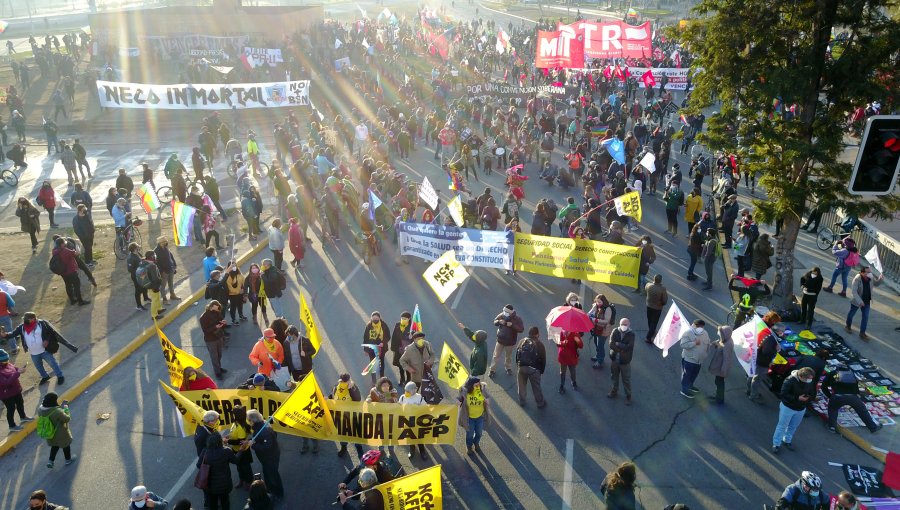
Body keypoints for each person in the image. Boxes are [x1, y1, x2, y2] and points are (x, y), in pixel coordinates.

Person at [3, 312, 77, 385]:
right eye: (25, 319)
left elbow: (51, 333)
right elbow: (13, 334)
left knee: (53, 364)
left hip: (45, 351)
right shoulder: (22, 327)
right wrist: (5, 335)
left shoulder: (42, 324)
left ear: (33, 319)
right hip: (33, 352)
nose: (26, 321)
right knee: (38, 367)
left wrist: (47, 340)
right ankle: (45, 376)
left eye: (29, 319)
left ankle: (60, 376)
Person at [821, 365, 883, 434]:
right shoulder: (851, 373)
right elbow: (855, 387)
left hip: (838, 396)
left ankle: (832, 426)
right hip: (853, 397)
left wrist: (830, 396)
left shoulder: (833, 373)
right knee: (862, 410)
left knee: (833, 409)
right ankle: (873, 427)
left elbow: (823, 387)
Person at [772, 367, 817, 453]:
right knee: (782, 426)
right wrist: (797, 398)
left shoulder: (810, 381)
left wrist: (809, 398)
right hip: (788, 407)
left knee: (793, 426)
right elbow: (783, 394)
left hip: (801, 408)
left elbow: (813, 392)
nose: (810, 381)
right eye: (808, 379)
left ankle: (787, 440)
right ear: (800, 376)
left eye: (811, 379)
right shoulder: (789, 380)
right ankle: (776, 444)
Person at [248, 409, 284, 501]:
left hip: (270, 457)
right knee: (267, 474)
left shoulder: (263, 430)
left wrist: (253, 445)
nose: (248, 422)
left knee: (273, 475)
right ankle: (269, 490)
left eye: (249, 420)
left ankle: (279, 493)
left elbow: (267, 446)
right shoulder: (262, 424)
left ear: (253, 420)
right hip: (266, 457)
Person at [198, 431, 238, 510]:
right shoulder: (226, 451)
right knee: (225, 502)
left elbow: (199, 465)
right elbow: (236, 461)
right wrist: (241, 451)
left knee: (212, 504)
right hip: (224, 485)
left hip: (210, 485)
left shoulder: (205, 452)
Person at [330, 373, 365, 459]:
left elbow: (358, 399)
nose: (345, 382)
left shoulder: (353, 387)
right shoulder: (336, 387)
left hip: (353, 416)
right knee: (342, 433)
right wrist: (328, 398)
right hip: (341, 416)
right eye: (344, 381)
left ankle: (359, 450)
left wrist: (352, 389)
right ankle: (344, 447)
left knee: (355, 433)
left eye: (347, 381)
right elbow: (333, 396)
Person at [38, 392, 75, 468]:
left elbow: (51, 411)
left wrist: (59, 408)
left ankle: (51, 461)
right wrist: (65, 408)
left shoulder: (40, 410)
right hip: (60, 434)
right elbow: (67, 419)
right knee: (66, 446)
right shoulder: (57, 412)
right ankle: (68, 460)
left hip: (50, 433)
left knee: (54, 446)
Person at [845, 266, 882, 340]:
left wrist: (880, 279)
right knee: (852, 313)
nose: (870, 274)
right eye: (867, 272)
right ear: (862, 273)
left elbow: (876, 284)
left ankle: (862, 333)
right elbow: (854, 292)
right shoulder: (857, 279)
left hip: (867, 300)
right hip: (857, 300)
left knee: (865, 317)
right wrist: (860, 301)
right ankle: (848, 326)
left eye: (870, 272)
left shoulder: (870, 277)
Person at [488, 304, 524, 378]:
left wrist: (512, 325)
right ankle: (492, 370)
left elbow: (521, 329)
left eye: (506, 312)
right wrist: (498, 321)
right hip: (500, 340)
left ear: (511, 312)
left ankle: (508, 368)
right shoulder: (502, 315)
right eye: (504, 311)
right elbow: (494, 321)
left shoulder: (517, 319)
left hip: (510, 342)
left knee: (508, 356)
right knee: (496, 356)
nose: (504, 313)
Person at [0, 349, 31, 430]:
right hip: (6, 394)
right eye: (4, 360)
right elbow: (6, 382)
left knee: (20, 403)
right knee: (11, 408)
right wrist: (18, 373)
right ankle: (12, 425)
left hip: (15, 390)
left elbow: (14, 368)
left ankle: (23, 417)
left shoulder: (7, 363)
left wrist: (19, 369)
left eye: (7, 359)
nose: (7, 361)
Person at [515, 327, 546, 407]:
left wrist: (518, 366)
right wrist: (541, 371)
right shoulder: (539, 344)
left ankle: (522, 401)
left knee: (521, 386)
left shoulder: (522, 341)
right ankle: (540, 403)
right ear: (537, 334)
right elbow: (543, 360)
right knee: (536, 387)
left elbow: (517, 355)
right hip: (533, 369)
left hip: (521, 367)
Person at [458, 376, 490, 455]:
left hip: (480, 417)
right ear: (470, 386)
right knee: (470, 435)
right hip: (469, 419)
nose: (478, 387)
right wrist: (459, 402)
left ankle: (476, 443)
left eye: (479, 385)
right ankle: (469, 447)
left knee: (479, 433)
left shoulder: (482, 391)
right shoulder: (466, 393)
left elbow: (488, 397)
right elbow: (459, 400)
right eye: (476, 386)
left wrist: (487, 401)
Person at [679, 320, 710, 398]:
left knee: (694, 374)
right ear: (695, 326)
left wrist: (706, 353)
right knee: (687, 375)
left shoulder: (705, 333)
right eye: (699, 326)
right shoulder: (688, 333)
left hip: (699, 361)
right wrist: (694, 343)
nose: (701, 328)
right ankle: (684, 390)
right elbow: (683, 345)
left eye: (702, 327)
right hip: (689, 359)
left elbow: (707, 343)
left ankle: (690, 385)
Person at [608, 318, 635, 405]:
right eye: (622, 324)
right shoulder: (615, 331)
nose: (624, 326)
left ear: (629, 325)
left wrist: (618, 344)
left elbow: (629, 347)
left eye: (625, 325)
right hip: (615, 360)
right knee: (614, 377)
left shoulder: (631, 334)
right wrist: (620, 350)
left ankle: (628, 396)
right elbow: (611, 344)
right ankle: (614, 391)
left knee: (626, 379)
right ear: (619, 324)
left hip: (625, 362)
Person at [199, 300, 228, 379]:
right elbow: (205, 330)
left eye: (218, 308)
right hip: (210, 340)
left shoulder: (216, 312)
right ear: (211, 307)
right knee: (214, 357)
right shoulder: (203, 317)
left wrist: (223, 322)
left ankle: (218, 368)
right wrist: (215, 327)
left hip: (219, 336)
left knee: (219, 354)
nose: (218, 309)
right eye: (216, 308)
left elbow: (220, 319)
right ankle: (217, 373)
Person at [399, 381, 428, 459]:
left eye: (408, 391)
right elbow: (399, 407)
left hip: (417, 421)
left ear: (415, 390)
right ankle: (412, 451)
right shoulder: (402, 397)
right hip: (407, 421)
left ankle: (422, 452)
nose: (407, 392)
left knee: (419, 438)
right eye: (406, 391)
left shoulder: (419, 397)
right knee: (410, 437)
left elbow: (425, 407)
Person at [706, 326, 734, 405]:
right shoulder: (726, 339)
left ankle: (719, 399)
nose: (720, 336)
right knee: (718, 381)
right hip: (720, 366)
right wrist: (716, 344)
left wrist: (723, 370)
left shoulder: (728, 344)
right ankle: (718, 395)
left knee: (719, 382)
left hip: (721, 367)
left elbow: (726, 358)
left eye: (721, 334)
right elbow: (720, 345)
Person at [362, 311, 390, 381]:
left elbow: (388, 336)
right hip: (371, 349)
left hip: (381, 349)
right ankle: (374, 379)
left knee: (381, 363)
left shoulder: (383, 325)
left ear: (379, 318)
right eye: (373, 318)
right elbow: (365, 338)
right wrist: (365, 349)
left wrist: (383, 342)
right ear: (371, 318)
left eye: (376, 318)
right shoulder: (369, 326)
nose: (375, 320)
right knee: (372, 364)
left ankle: (382, 378)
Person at [153, 237, 180, 305]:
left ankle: (172, 295)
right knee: (163, 286)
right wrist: (162, 272)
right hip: (164, 272)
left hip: (170, 269)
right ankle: (164, 299)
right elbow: (156, 263)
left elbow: (170, 256)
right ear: (160, 243)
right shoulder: (156, 251)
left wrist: (174, 265)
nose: (166, 242)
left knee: (171, 283)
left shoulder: (166, 248)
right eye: (165, 241)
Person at [557, 328, 583, 394]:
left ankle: (573, 382)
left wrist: (578, 341)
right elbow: (558, 343)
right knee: (562, 372)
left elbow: (581, 346)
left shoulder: (575, 334)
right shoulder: (561, 333)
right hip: (563, 357)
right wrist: (563, 342)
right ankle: (562, 385)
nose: (566, 330)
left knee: (572, 371)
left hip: (572, 357)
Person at [140, 251, 165, 320]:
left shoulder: (145, 262)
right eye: (154, 255)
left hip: (149, 285)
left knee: (157, 297)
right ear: (151, 257)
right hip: (154, 285)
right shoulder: (152, 265)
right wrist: (159, 282)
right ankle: (154, 315)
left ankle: (159, 309)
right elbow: (155, 278)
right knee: (154, 299)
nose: (155, 256)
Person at [390, 311, 413, 385]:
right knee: (400, 365)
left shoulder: (412, 328)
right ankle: (402, 378)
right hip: (398, 349)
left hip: (407, 351)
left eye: (405, 318)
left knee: (406, 365)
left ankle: (408, 379)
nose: (403, 319)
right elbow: (393, 337)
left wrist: (411, 337)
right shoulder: (398, 325)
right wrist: (393, 348)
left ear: (409, 319)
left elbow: (416, 340)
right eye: (402, 318)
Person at [644, 275, 668, 343]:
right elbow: (664, 301)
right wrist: (661, 304)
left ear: (653, 279)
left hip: (649, 305)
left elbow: (646, 292)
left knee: (650, 319)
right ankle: (648, 337)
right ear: (661, 280)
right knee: (654, 322)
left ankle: (651, 331)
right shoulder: (662, 289)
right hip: (657, 308)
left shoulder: (648, 285)